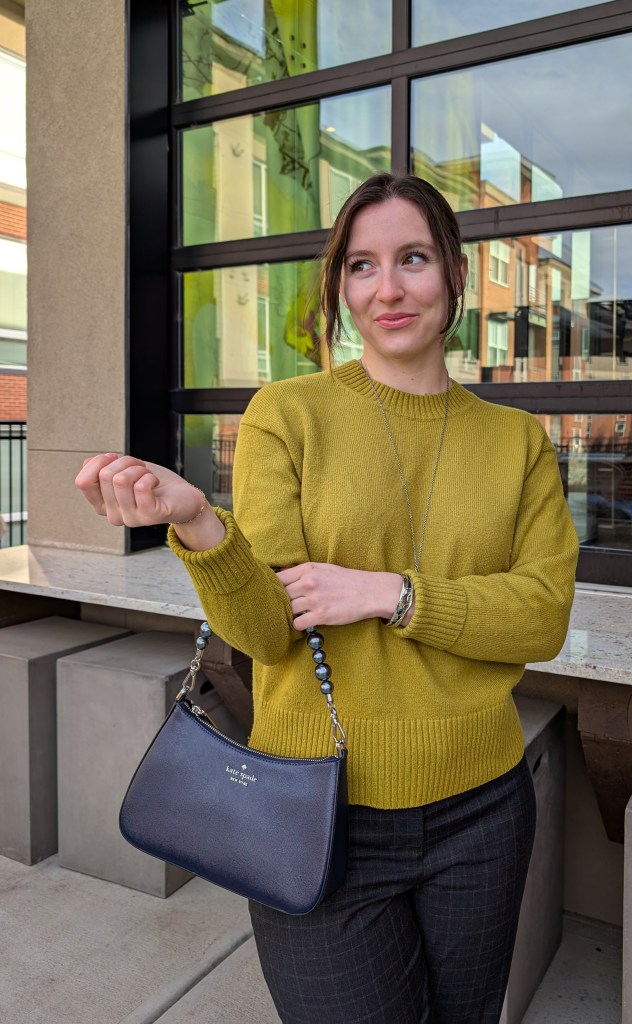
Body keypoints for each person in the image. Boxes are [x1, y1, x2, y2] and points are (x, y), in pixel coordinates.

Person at [76, 172, 578, 1024]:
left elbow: (542, 616)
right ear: (338, 286)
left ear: (454, 274)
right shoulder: (288, 414)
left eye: (412, 259)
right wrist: (200, 523)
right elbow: (269, 636)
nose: (387, 288)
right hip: (311, 808)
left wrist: (391, 594)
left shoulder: (515, 440)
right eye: (360, 266)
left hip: (483, 809)